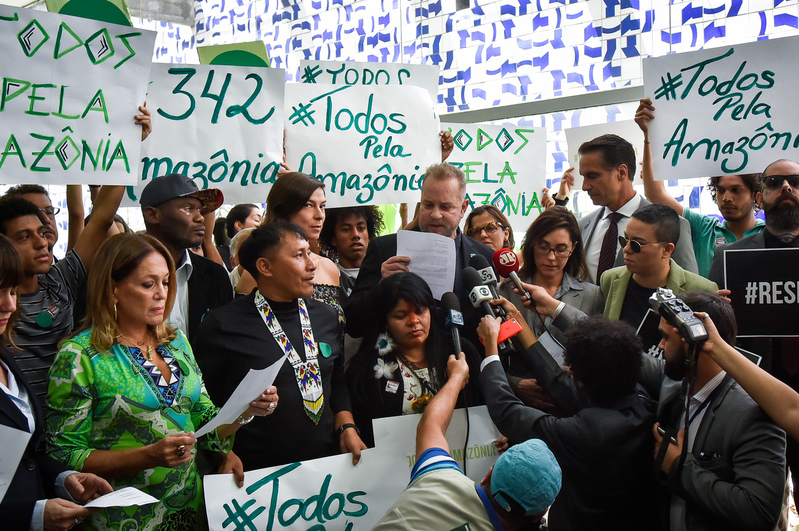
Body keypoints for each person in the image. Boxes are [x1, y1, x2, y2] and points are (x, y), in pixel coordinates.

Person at [46, 233, 278, 530]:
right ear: (112, 289)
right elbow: (64, 453)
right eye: (148, 284)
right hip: (120, 518)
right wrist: (147, 456)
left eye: (166, 282)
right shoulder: (80, 356)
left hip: (187, 508)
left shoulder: (176, 343)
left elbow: (203, 422)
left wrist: (247, 410)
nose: (161, 293)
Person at [193, 222, 366, 471]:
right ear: (265, 266)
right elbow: (202, 405)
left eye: (309, 252)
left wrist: (347, 427)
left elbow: (336, 382)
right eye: (299, 255)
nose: (312, 264)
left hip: (327, 473)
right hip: (256, 481)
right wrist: (222, 453)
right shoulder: (222, 326)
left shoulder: (327, 316)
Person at [478, 307, 659, 530]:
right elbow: (556, 381)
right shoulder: (639, 399)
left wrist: (490, 348)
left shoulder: (587, 433)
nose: (569, 374)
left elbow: (506, 411)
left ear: (582, 380)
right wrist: (518, 327)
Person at [640, 291, 785, 531]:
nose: (660, 346)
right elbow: (628, 354)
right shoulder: (677, 385)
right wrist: (556, 309)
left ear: (691, 339)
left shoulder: (752, 414)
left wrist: (680, 469)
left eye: (665, 337)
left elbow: (759, 511)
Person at [372, 353, 561, 531]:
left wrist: (456, 377)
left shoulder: (439, 477)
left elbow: (430, 426)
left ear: (488, 476)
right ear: (540, 516)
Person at [0, 235, 113, 531]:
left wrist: (62, 477)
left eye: (13, 291)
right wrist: (30, 516)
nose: (8, 305)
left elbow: (26, 455)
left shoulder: (6, 359)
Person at [708, 158, 799, 494]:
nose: (786, 188)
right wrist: (720, 307)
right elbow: (717, 333)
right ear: (761, 195)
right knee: (758, 500)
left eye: (795, 181)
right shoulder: (731, 257)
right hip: (753, 396)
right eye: (775, 182)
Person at [0, 184, 124, 402]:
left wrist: (122, 158)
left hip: (68, 422)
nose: (42, 243)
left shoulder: (62, 280)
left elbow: (102, 218)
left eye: (41, 233)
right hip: (17, 424)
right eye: (25, 237)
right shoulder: (3, 304)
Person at [344, 163, 495, 341]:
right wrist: (381, 286)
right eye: (428, 205)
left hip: (467, 362)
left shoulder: (482, 256)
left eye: (445, 207)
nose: (435, 214)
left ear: (463, 208)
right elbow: (352, 323)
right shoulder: (385, 249)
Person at [345, 272, 483, 446]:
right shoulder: (368, 368)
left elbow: (486, 406)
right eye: (401, 316)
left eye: (420, 311)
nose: (414, 321)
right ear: (385, 321)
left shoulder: (459, 351)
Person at [635, 98, 765, 277]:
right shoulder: (704, 229)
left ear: (755, 196)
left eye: (736, 190)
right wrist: (650, 134)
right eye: (721, 190)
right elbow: (655, 194)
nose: (726, 197)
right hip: (709, 306)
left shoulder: (769, 232)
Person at [572, 134, 698, 283]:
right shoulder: (581, 227)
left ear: (622, 172)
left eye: (592, 176)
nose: (585, 186)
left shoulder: (674, 225)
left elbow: (689, 289)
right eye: (583, 177)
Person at [140, 173, 232, 341]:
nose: (200, 218)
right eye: (188, 209)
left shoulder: (215, 277)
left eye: (200, 210)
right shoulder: (121, 274)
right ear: (153, 215)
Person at [600, 204, 717, 329]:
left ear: (667, 249)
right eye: (624, 240)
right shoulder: (609, 280)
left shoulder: (701, 290)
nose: (626, 249)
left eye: (636, 244)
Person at [262, 172, 343, 315]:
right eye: (308, 205)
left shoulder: (329, 267)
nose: (319, 215)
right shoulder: (264, 268)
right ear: (284, 209)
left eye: (322, 206)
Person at [319, 205, 385, 297]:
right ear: (332, 238)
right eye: (346, 229)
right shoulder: (325, 278)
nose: (356, 235)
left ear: (369, 234)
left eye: (361, 228)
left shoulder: (384, 273)